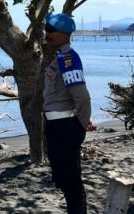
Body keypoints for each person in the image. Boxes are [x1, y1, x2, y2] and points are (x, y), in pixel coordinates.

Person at [43, 13, 92, 214]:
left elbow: (82, 97)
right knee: (62, 178)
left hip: (65, 128)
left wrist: (80, 127)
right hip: (55, 127)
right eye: (46, 29)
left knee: (71, 181)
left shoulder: (69, 59)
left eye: (51, 30)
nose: (47, 34)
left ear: (64, 34)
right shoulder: (58, 58)